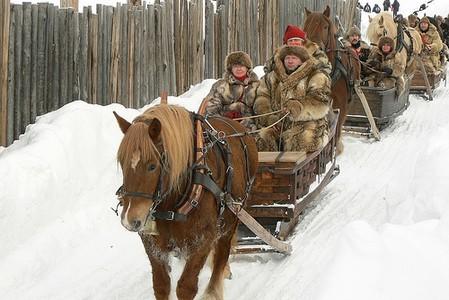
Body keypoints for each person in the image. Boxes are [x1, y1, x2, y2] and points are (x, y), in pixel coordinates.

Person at [253, 46, 332, 153]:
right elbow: (262, 97)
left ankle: (305, 169)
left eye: (294, 58)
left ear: (302, 60)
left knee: (304, 139)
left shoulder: (316, 76)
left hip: (307, 123)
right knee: (263, 138)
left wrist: (299, 107)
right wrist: (270, 118)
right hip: (277, 123)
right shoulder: (271, 77)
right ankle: (267, 169)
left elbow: (320, 101)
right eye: (287, 58)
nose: (290, 61)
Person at [205, 51, 259, 131]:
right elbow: (211, 108)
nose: (239, 69)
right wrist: (224, 121)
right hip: (226, 127)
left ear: (247, 68)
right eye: (235, 66)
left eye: (242, 66)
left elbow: (262, 108)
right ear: (230, 69)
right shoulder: (221, 86)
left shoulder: (257, 86)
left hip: (252, 128)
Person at [264, 24, 332, 75]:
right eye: (290, 41)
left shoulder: (314, 51)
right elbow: (267, 68)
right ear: (286, 43)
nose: (293, 43)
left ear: (302, 41)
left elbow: (326, 67)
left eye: (296, 40)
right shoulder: (280, 53)